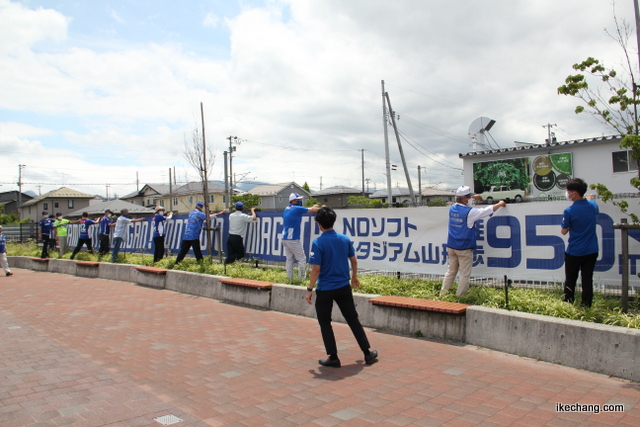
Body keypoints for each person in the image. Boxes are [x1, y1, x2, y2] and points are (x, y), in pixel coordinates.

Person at [305, 206, 378, 368]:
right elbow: (354, 261)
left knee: (325, 322)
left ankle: (333, 357)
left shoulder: (318, 243)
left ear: (319, 224)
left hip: (325, 289)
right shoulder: (344, 239)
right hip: (343, 287)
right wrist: (354, 278)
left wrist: (309, 289)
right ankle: (367, 353)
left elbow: (316, 270)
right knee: (353, 319)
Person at [440, 186, 506, 296]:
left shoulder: (452, 208)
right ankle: (460, 297)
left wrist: (471, 196)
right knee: (464, 274)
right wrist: (500, 203)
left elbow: (465, 207)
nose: (470, 198)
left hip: (452, 246)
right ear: (464, 199)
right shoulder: (469, 212)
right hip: (464, 247)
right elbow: (487, 210)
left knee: (451, 272)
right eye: (469, 197)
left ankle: (443, 294)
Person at [561, 178, 599, 308]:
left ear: (575, 193)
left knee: (570, 279)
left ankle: (568, 303)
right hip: (592, 250)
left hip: (575, 251)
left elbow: (564, 231)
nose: (567, 193)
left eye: (569, 191)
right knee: (587, 279)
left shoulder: (569, 211)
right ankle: (586, 304)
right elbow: (591, 204)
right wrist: (588, 199)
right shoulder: (593, 205)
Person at [282, 193, 321, 280]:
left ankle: (290, 278)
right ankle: (301, 279)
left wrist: (314, 206)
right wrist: (321, 207)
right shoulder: (296, 209)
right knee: (302, 259)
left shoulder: (287, 208)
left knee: (289, 259)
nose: (299, 201)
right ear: (292, 201)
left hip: (285, 237)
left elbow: (310, 208)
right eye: (298, 200)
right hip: (293, 238)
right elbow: (314, 210)